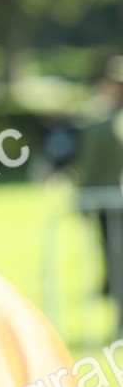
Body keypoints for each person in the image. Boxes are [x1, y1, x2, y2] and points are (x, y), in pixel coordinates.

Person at [73, 57, 123, 306]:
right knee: (112, 253)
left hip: (116, 197)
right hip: (104, 196)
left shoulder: (114, 118)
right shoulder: (102, 113)